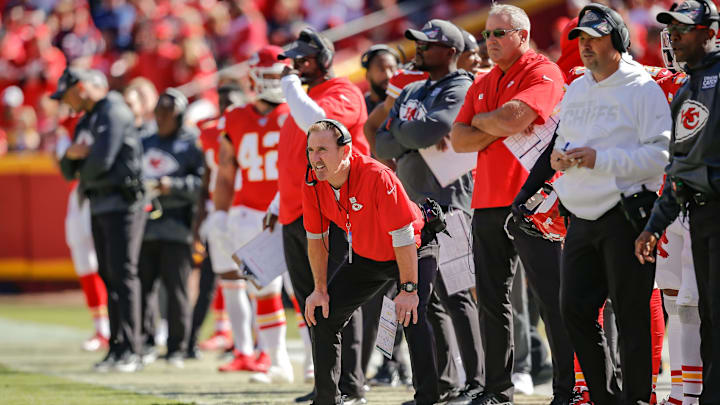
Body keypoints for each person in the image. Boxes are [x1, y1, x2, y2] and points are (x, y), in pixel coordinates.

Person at [541, 3, 671, 404]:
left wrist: (602, 160)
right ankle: (604, 397)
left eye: (595, 38)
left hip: (626, 214)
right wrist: (558, 158)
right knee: (574, 312)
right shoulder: (578, 87)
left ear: (616, 40)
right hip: (581, 215)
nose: (585, 47)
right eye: (581, 39)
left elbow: (660, 156)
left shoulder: (642, 86)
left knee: (631, 319)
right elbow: (563, 139)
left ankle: (634, 399)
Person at [449, 4, 574, 404]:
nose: (490, 41)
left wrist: (487, 122)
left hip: (534, 202)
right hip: (486, 202)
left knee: (552, 299)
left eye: (499, 34)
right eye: (487, 34)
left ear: (522, 34)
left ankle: (568, 388)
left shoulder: (543, 70)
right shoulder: (484, 81)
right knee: (491, 300)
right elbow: (459, 140)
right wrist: (496, 121)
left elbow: (512, 120)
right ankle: (497, 389)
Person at [374, 19, 483, 405]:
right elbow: (380, 143)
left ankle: (477, 383)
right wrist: (413, 138)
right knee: (426, 299)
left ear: (451, 52)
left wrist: (408, 136)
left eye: (427, 44)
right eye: (418, 43)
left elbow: (428, 130)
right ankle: (442, 382)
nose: (418, 49)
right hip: (412, 207)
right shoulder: (415, 88)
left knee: (457, 295)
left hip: (449, 204)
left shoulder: (461, 84)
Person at [303, 119, 438, 405]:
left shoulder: (377, 176)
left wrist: (409, 289)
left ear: (346, 150)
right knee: (323, 315)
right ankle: (327, 399)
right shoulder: (312, 181)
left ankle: (428, 399)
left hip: (413, 247)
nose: (316, 158)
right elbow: (316, 238)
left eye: (323, 150)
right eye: (311, 150)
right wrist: (319, 289)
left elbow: (402, 238)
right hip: (368, 254)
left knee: (412, 315)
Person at [270, 27, 370, 403]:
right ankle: (326, 385)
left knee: (341, 298)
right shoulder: (300, 98)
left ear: (324, 61)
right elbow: (292, 164)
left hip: (334, 211)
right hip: (297, 213)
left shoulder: (342, 92)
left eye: (304, 58)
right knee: (311, 301)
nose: (296, 65)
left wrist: (291, 87)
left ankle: (351, 385)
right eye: (293, 59)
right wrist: (276, 204)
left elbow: (317, 125)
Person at [636, 1, 720, 402]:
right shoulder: (677, 85)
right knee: (683, 304)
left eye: (684, 29)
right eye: (671, 31)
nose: (674, 38)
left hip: (709, 206)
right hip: (682, 206)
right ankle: (689, 393)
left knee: (696, 303)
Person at [206, 45, 295, 383]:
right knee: (263, 289)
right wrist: (219, 213)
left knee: (302, 291)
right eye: (268, 74)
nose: (273, 81)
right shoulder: (235, 116)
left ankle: (315, 364)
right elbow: (226, 172)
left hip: (291, 211)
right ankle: (277, 361)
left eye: (277, 74)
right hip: (250, 214)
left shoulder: (295, 112)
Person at [56, 67, 146, 373]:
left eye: (67, 93)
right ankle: (116, 346)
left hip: (123, 202)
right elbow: (68, 168)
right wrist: (75, 156)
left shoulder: (113, 110)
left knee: (124, 275)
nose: (65, 102)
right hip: (100, 204)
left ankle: (132, 349)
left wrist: (81, 158)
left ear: (81, 87)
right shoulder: (89, 117)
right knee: (109, 276)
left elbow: (101, 161)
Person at [138, 88, 204, 368]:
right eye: (159, 112)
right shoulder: (145, 141)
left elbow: (200, 185)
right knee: (142, 289)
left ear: (179, 116)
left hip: (177, 225)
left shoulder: (190, 144)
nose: (162, 117)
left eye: (168, 113)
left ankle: (178, 346)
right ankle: (145, 342)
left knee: (176, 291)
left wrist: (171, 186)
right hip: (144, 226)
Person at [187, 83, 244, 360]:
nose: (226, 107)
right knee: (214, 277)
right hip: (219, 214)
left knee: (257, 283)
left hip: (248, 212)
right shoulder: (210, 132)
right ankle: (194, 337)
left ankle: (246, 343)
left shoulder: (252, 127)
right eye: (222, 102)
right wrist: (200, 222)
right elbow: (207, 180)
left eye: (231, 101)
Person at [56, 111, 110, 352]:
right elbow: (65, 164)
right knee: (84, 262)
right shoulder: (68, 126)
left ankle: (116, 327)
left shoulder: (103, 118)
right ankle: (101, 328)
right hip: (78, 195)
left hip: (100, 195)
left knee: (108, 262)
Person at [361, 44, 400, 115]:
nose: (388, 75)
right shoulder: (361, 108)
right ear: (368, 75)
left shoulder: (407, 101)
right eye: (381, 69)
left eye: (392, 68)